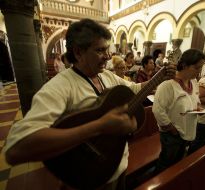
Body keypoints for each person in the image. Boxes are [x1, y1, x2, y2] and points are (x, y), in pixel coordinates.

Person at [3, 19, 176, 190]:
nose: (108, 56)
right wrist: (100, 126)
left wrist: (159, 77)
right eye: (100, 50)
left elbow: (135, 88)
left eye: (107, 49)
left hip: (118, 164)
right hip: (88, 174)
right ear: (78, 52)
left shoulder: (106, 75)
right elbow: (16, 149)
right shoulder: (59, 87)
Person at [152, 49, 205, 173]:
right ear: (184, 65)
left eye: (201, 67)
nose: (200, 71)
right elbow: (158, 110)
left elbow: (196, 99)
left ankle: (172, 180)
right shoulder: (167, 85)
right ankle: (160, 181)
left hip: (187, 127)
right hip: (172, 133)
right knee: (166, 162)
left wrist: (198, 107)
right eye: (197, 67)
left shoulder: (193, 82)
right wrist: (171, 129)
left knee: (178, 161)